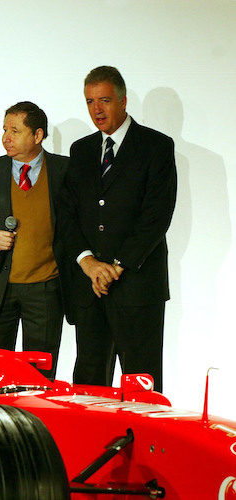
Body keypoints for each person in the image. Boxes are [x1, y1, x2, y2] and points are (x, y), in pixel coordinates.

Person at [58, 66, 176, 392]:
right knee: (88, 387)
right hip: (90, 289)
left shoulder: (157, 146)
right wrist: (89, 263)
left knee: (141, 388)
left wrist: (117, 266)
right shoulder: (80, 150)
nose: (97, 109)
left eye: (105, 100)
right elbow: (67, 214)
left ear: (123, 101)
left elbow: (156, 217)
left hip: (138, 288)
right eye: (90, 101)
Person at [0, 102, 70, 379]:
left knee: (40, 378)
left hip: (46, 289)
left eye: (15, 131)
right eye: (5, 130)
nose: (6, 137)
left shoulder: (65, 170)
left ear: (38, 135)